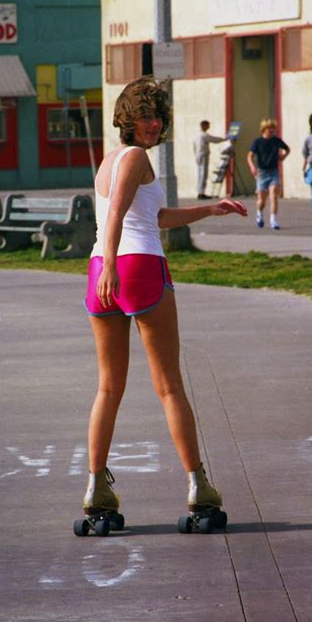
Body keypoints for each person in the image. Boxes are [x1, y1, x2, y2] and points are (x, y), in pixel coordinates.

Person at [80, 77, 247, 531]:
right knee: (169, 385)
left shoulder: (110, 160)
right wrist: (116, 263)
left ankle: (96, 487)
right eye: (146, 115)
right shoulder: (134, 158)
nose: (154, 123)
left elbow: (154, 217)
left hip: (101, 272)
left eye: (159, 117)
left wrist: (208, 210)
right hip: (135, 267)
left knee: (108, 388)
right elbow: (117, 216)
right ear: (127, 118)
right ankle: (199, 485)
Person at [247, 118, 290, 230]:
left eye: (273, 128)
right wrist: (252, 166)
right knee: (261, 200)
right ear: (264, 129)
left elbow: (287, 149)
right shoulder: (257, 142)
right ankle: (259, 213)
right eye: (269, 128)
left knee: (273, 196)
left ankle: (273, 220)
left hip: (273, 171)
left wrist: (283, 157)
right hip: (262, 173)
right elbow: (250, 156)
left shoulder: (276, 141)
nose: (271, 130)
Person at [193, 120, 226, 199]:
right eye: (208, 125)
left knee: (200, 174)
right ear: (204, 126)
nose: (209, 127)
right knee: (203, 174)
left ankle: (200, 191)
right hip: (203, 155)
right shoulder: (204, 135)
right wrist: (224, 139)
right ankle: (201, 192)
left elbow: (194, 147)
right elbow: (214, 139)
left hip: (198, 155)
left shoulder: (197, 135)